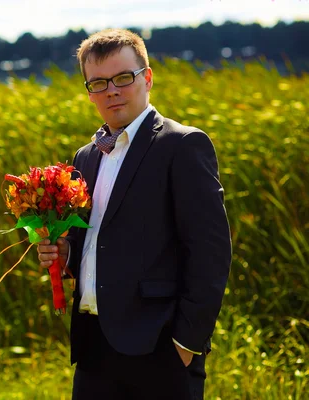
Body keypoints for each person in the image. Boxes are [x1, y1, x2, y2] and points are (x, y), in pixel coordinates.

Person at [37, 29, 231, 400]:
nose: (112, 90)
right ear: (89, 92)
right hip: (94, 346)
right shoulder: (85, 156)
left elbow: (211, 252)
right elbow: (95, 242)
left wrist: (185, 343)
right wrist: (64, 256)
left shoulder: (182, 144)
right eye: (98, 83)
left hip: (160, 346)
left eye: (123, 78)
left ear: (147, 78)